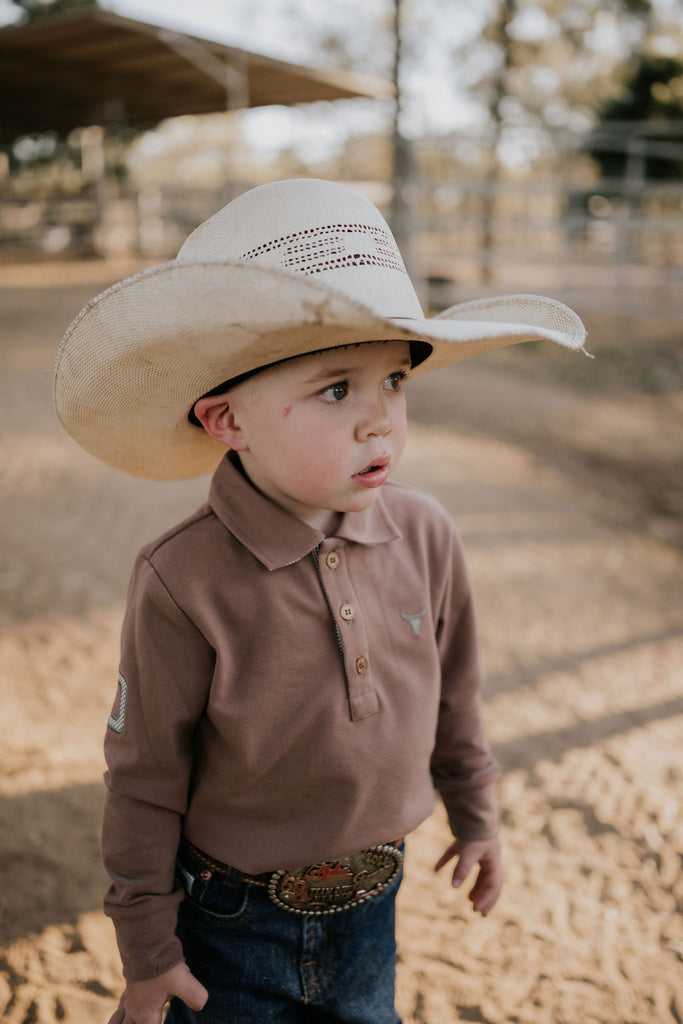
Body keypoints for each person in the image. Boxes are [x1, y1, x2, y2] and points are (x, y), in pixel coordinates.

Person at [54, 178, 587, 1024]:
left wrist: (477, 816)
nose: (379, 421)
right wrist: (150, 949)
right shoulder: (182, 580)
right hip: (230, 921)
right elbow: (145, 776)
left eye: (393, 383)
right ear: (227, 420)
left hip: (374, 904)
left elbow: (454, 693)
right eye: (337, 389)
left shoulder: (426, 534)